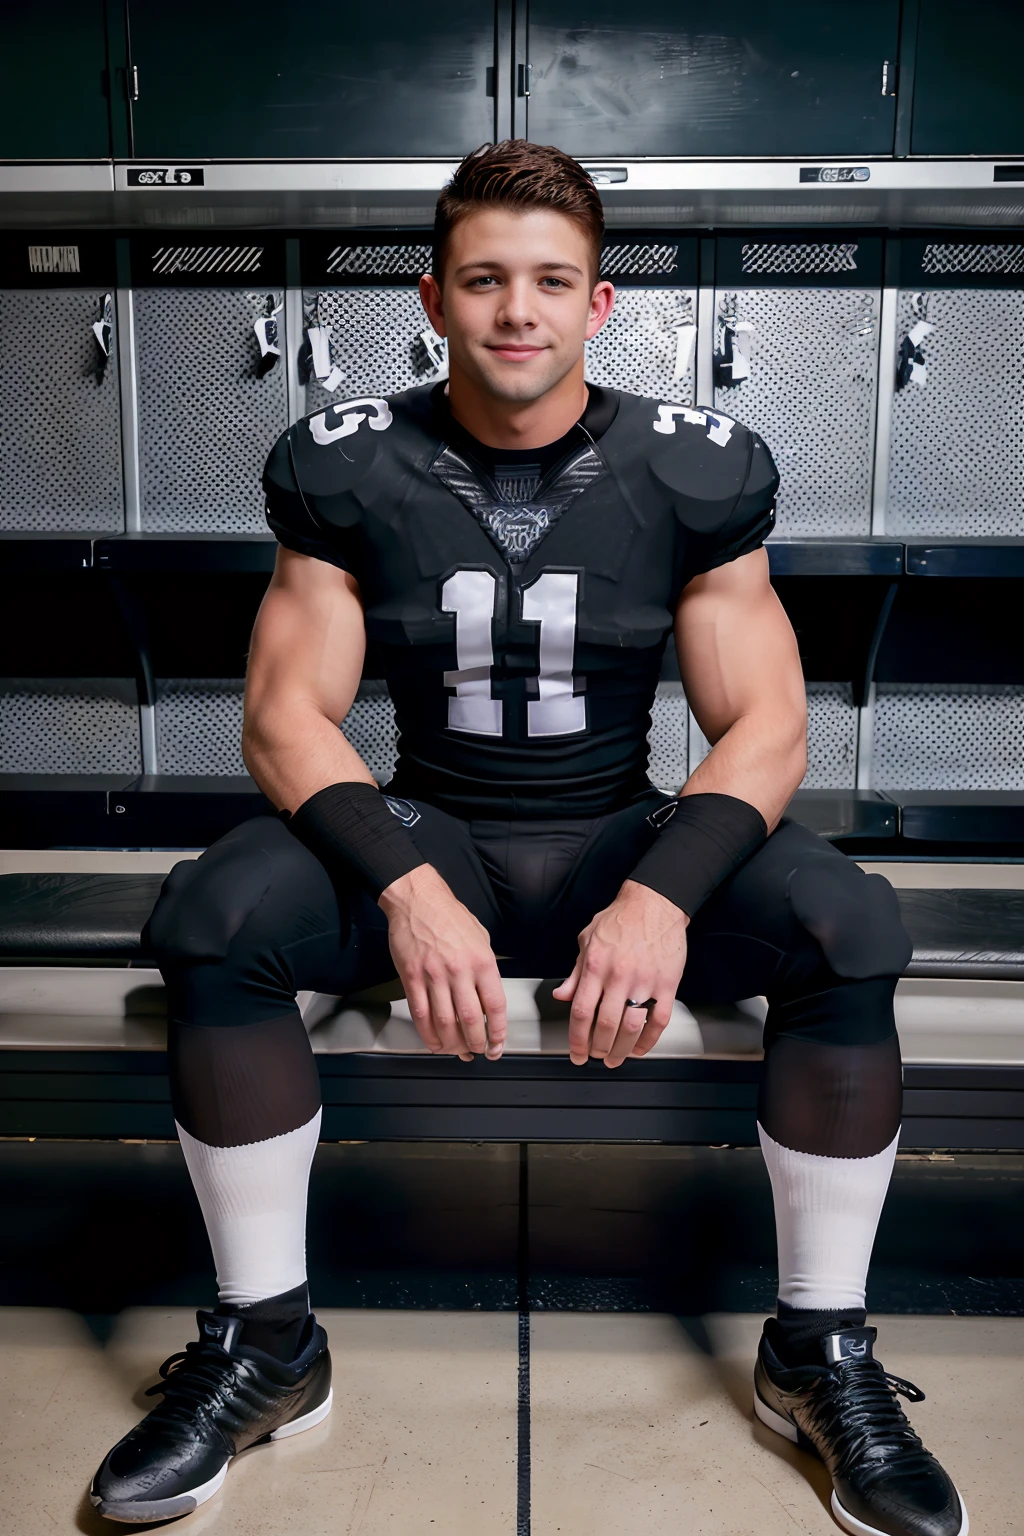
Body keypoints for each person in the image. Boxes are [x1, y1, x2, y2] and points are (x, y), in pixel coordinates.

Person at [89, 140, 965, 1536]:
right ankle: (269, 1343)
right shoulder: (345, 462)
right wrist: (411, 886)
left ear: (600, 305)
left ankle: (819, 1349)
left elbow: (769, 728)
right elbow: (284, 719)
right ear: (431, 301)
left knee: (849, 924)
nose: (518, 311)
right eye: (485, 281)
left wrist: (667, 893)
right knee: (213, 918)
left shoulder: (699, 467)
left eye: (551, 282)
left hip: (624, 827)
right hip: (434, 826)